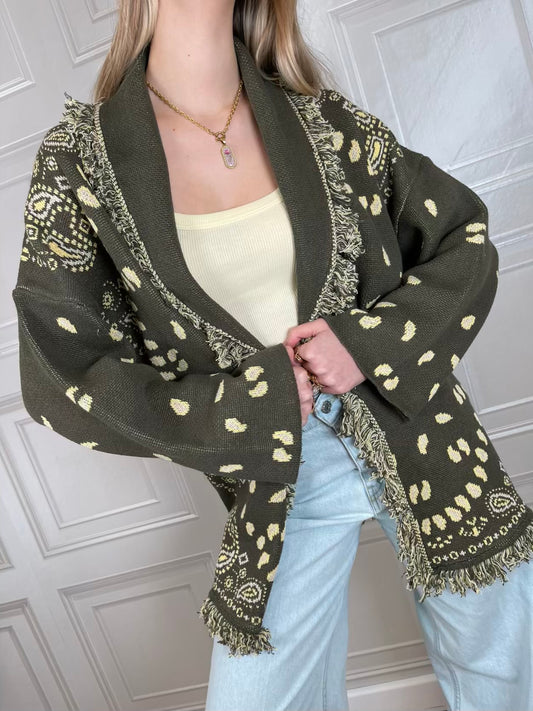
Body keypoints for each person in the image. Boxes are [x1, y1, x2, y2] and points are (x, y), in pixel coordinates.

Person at [12, 1, 533, 710]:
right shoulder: (79, 163)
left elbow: (462, 238)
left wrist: (366, 344)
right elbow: (60, 372)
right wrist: (239, 408)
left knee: (507, 673)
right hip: (282, 480)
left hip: (426, 439)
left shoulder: (322, 120)